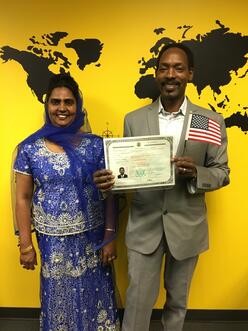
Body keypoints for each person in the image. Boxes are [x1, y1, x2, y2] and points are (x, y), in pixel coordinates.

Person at [93, 43, 230, 331]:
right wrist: (109, 183)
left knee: (177, 303)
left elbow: (221, 173)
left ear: (190, 74)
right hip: (145, 226)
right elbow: (127, 172)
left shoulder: (209, 121)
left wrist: (196, 173)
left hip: (187, 227)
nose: (171, 74)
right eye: (165, 67)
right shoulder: (134, 119)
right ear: (156, 74)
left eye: (179, 68)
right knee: (137, 302)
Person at [13, 73, 120, 330]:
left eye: (69, 102)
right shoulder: (30, 149)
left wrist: (110, 237)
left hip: (92, 241)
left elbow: (110, 193)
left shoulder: (96, 146)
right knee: (58, 303)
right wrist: (26, 245)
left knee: (97, 300)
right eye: (56, 102)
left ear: (78, 107)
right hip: (52, 243)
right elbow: (22, 198)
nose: (62, 108)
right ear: (47, 106)